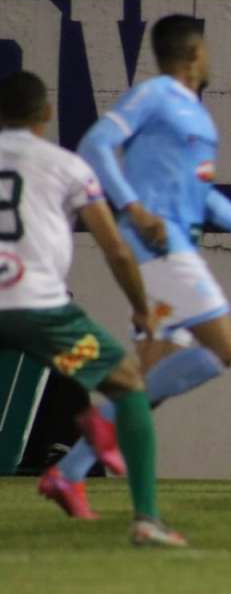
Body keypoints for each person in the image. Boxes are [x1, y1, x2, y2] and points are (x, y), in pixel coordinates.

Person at [42, 14, 231, 517]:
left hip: (178, 246)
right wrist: (134, 209)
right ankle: (102, 424)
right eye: (208, 51)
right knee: (223, 348)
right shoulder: (156, 94)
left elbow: (203, 195)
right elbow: (95, 144)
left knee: (148, 379)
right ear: (194, 53)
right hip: (160, 246)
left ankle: (68, 473)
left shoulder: (194, 115)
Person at [0, 70, 185, 545]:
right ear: (46, 113)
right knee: (126, 383)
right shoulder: (67, 166)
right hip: (44, 319)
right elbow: (117, 250)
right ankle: (146, 519)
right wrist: (141, 309)